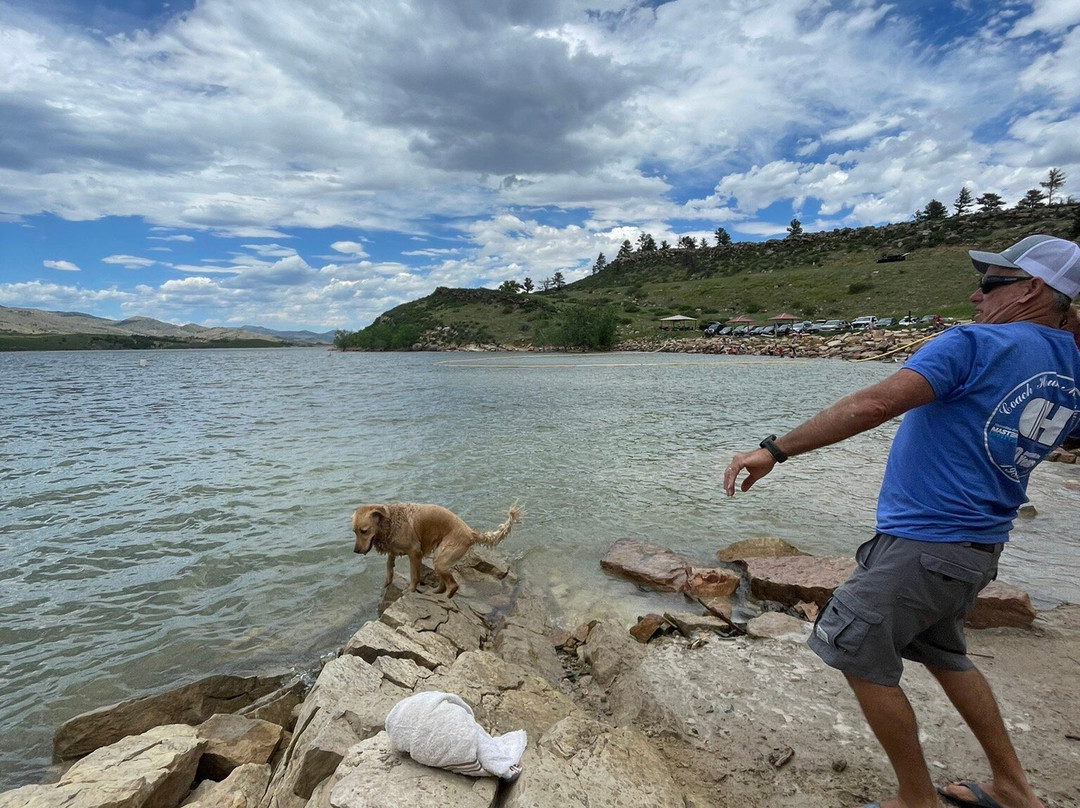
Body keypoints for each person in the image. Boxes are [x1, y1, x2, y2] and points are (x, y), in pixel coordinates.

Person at [724, 234, 1080, 808]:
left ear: (1032, 288)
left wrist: (774, 449)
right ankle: (1014, 788)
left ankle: (917, 800)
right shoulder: (1070, 363)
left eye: (990, 284)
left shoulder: (972, 343)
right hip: (979, 548)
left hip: (926, 542)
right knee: (945, 653)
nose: (975, 294)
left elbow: (873, 405)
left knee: (850, 645)